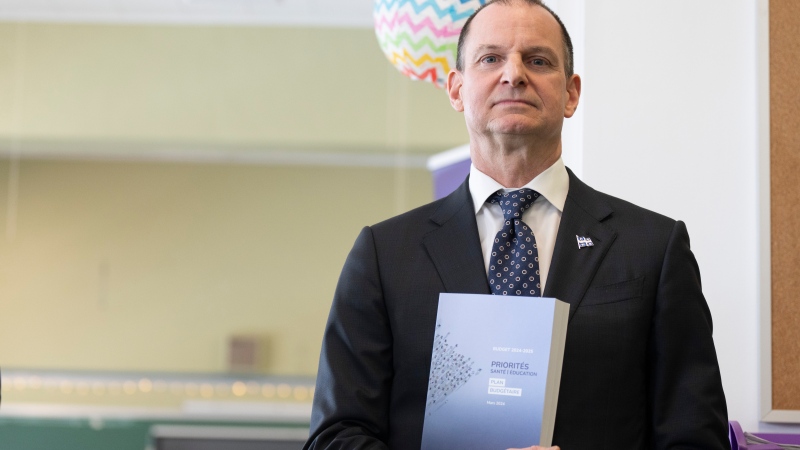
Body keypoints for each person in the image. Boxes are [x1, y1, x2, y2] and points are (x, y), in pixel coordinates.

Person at [304, 0, 728, 448]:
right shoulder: (384, 253)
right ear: (456, 90)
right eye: (490, 58)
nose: (514, 74)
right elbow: (337, 435)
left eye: (538, 60)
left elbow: (695, 436)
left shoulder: (653, 248)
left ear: (571, 93)